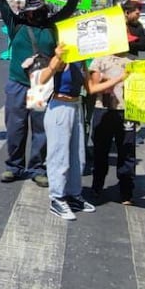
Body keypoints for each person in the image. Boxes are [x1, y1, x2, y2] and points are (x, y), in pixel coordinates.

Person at [0, 0, 82, 186]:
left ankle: (36, 168)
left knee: (41, 129)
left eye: (40, 10)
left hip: (41, 86)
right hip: (18, 84)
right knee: (16, 127)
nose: (37, 14)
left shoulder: (52, 26)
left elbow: (69, 8)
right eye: (33, 11)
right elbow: (1, 1)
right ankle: (13, 166)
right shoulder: (16, 24)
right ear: (27, 12)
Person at [38, 44, 96, 220]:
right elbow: (42, 78)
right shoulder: (60, 57)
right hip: (59, 108)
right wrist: (57, 58)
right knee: (59, 156)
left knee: (78, 156)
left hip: (76, 106)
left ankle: (73, 194)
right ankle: (57, 198)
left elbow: (90, 88)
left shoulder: (81, 59)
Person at [88, 50, 134, 204]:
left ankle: (126, 192)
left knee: (127, 151)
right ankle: (97, 188)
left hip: (127, 112)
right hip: (104, 110)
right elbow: (94, 85)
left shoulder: (133, 61)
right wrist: (113, 79)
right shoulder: (99, 60)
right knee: (101, 151)